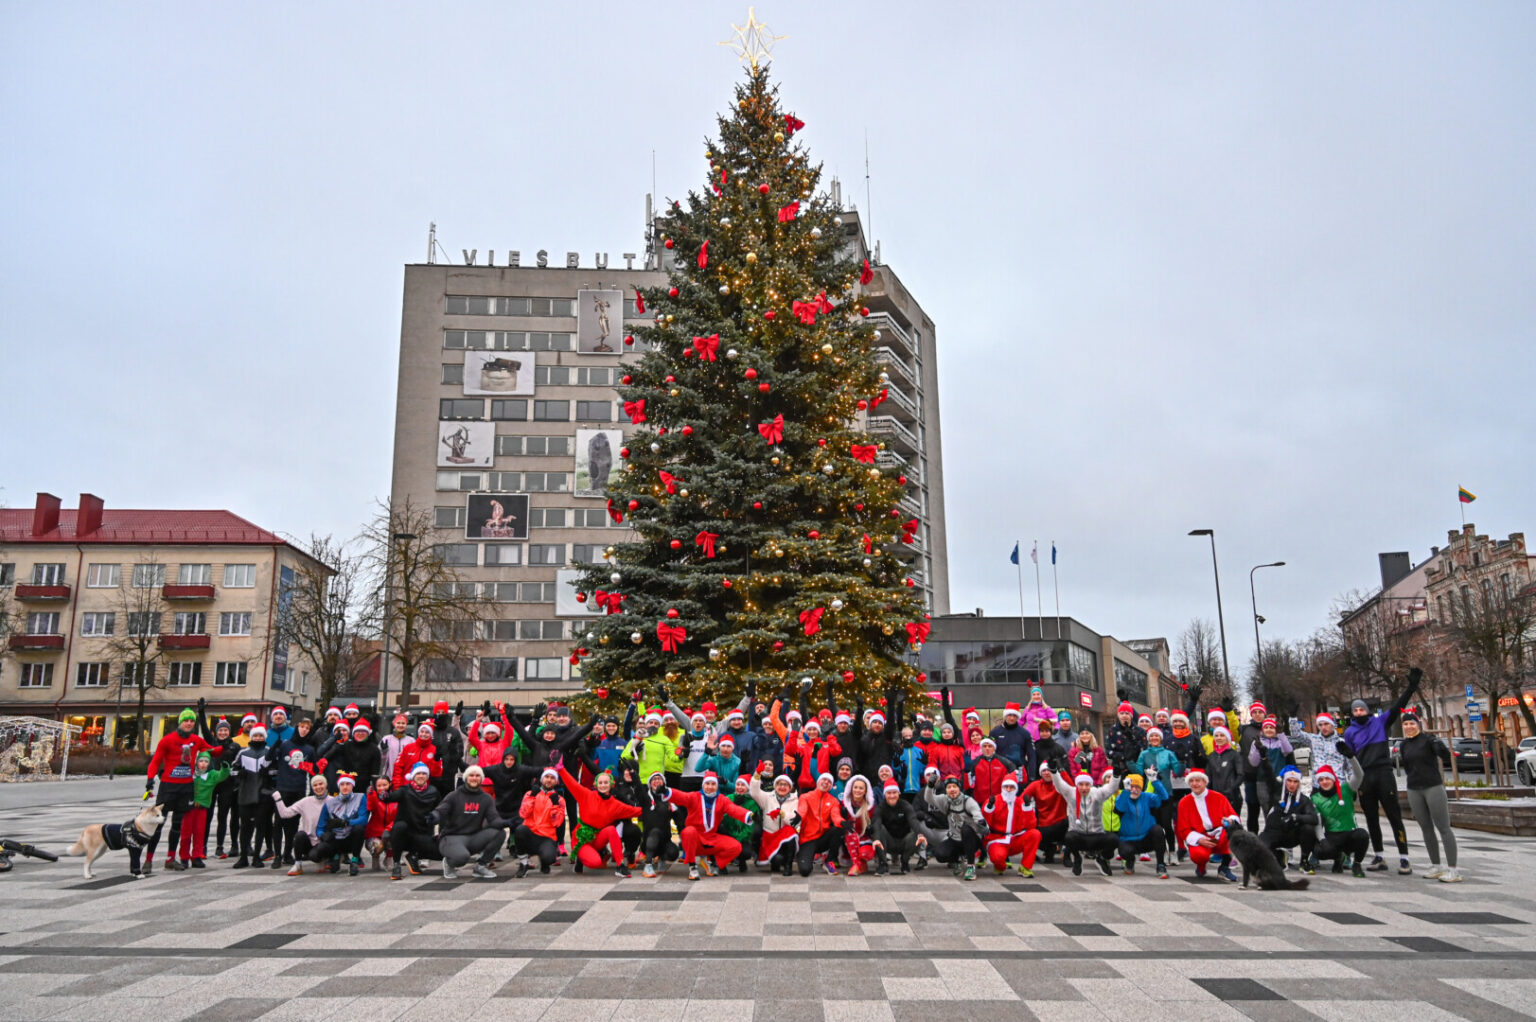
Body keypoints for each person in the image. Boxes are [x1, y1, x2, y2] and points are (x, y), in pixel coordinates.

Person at [1344, 667, 1421, 874]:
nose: (1359, 713)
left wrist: (1411, 687)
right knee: (1371, 818)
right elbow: (1350, 760)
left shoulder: (1380, 722)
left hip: (1384, 773)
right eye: (1355, 711)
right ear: (1352, 714)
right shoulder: (1350, 732)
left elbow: (1398, 707)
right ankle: (1379, 856)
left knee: (1394, 815)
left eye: (1361, 710)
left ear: (1367, 710)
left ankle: (1404, 858)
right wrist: (1351, 784)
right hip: (1365, 777)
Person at [145, 704, 224, 873]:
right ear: (180, 722)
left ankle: (170, 858)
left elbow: (212, 751)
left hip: (186, 788)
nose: (189, 723)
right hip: (168, 787)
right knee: (158, 824)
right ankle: (148, 860)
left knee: (177, 825)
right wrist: (150, 779)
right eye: (186, 721)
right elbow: (156, 760)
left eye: (191, 721)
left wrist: (226, 747)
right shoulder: (167, 740)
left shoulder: (196, 740)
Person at [1397, 711, 1461, 882]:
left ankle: (1453, 869)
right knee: (1426, 827)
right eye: (1405, 724)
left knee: (1443, 827)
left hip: (1432, 786)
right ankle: (1436, 865)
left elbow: (1445, 756)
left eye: (1412, 723)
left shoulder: (1428, 740)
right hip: (1414, 788)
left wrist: (1440, 746)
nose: (1409, 727)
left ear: (1418, 724)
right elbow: (1407, 766)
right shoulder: (1404, 745)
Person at [557, 760, 641, 877]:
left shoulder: (615, 804)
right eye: (600, 783)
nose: (603, 785)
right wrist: (560, 769)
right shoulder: (586, 795)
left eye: (606, 782)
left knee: (611, 830)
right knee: (595, 862)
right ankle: (580, 858)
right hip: (582, 839)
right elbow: (572, 784)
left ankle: (620, 866)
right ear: (596, 785)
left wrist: (653, 805)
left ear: (611, 784)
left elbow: (635, 811)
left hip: (598, 839)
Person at [668, 771, 754, 880]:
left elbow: (734, 809)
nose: (710, 787)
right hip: (695, 839)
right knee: (688, 831)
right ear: (703, 785)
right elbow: (681, 796)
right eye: (707, 784)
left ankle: (714, 863)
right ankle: (692, 866)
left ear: (717, 786)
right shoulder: (695, 796)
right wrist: (666, 791)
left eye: (713, 784)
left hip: (711, 839)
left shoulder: (722, 799)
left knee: (735, 846)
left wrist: (750, 816)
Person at [430, 764, 508, 880]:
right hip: (452, 837)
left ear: (481, 779)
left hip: (473, 837)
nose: (474, 778)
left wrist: (507, 822)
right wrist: (434, 816)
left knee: (500, 833)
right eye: (471, 775)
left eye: (477, 776)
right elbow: (441, 810)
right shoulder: (454, 795)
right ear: (466, 778)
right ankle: (449, 863)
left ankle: (481, 866)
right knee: (462, 858)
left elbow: (493, 818)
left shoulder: (486, 798)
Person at [381, 762, 443, 880]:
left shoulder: (433, 791)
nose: (421, 776)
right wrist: (384, 793)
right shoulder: (404, 790)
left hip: (423, 832)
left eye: (424, 773)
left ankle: (413, 856)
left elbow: (441, 809)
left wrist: (437, 822)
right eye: (418, 773)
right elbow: (390, 797)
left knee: (440, 852)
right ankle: (396, 864)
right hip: (405, 833)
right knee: (399, 826)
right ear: (413, 776)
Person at [1175, 769, 1238, 882]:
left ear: (1205, 782)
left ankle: (1224, 867)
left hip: (1218, 835)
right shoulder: (1184, 802)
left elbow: (1233, 816)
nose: (1195, 784)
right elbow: (1183, 828)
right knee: (1198, 855)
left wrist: (1230, 821)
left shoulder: (1219, 797)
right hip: (1200, 836)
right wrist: (1199, 839)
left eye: (1198, 780)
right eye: (1192, 781)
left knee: (1231, 834)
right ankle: (1201, 866)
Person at [1309, 763, 1369, 877]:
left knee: (1363, 835)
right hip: (1332, 836)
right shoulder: (1315, 798)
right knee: (1319, 851)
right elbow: (1317, 824)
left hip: (1350, 834)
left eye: (1327, 778)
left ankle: (1357, 864)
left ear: (1333, 779)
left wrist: (1351, 758)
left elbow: (1359, 775)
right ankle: (1339, 857)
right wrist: (1322, 841)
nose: (1324, 782)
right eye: (1321, 779)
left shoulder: (1346, 789)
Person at [230, 724, 275, 869]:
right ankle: (243, 856)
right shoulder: (243, 753)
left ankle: (257, 856)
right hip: (245, 794)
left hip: (263, 795)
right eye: (255, 735)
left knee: (261, 826)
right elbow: (232, 770)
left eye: (260, 736)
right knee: (245, 827)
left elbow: (277, 771)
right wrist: (240, 774)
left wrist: (268, 774)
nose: (258, 738)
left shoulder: (269, 752)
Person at [924, 776, 985, 880]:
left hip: (972, 839)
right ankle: (957, 861)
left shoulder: (968, 801)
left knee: (965, 830)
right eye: (949, 787)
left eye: (954, 786)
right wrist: (930, 786)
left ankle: (971, 867)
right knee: (940, 854)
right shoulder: (945, 800)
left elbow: (977, 814)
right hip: (955, 838)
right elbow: (929, 798)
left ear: (959, 788)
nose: (952, 789)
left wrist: (979, 821)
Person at [1259, 766, 1318, 872]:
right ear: (1285, 781)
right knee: (1260, 846)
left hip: (1291, 835)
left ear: (1299, 783)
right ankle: (1279, 856)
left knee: (1308, 829)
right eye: (1289, 781)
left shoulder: (1304, 800)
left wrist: (1296, 817)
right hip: (1273, 832)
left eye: (1295, 782)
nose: (1292, 784)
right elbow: (1269, 776)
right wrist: (1264, 760)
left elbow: (1313, 818)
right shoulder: (1275, 794)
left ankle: (1304, 861)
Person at [197, 716, 241, 859]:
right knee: (207, 816)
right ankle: (202, 847)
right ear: (216, 732)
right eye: (220, 730)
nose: (223, 732)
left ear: (229, 732)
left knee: (222, 816)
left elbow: (239, 764)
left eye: (225, 730)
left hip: (227, 784)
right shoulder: (211, 743)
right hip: (211, 783)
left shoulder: (234, 745)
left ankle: (219, 847)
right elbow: (204, 731)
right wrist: (201, 713)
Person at [310, 772, 369, 876]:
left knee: (359, 829)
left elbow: (363, 819)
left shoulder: (361, 797)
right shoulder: (330, 803)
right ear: (339, 786)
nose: (345, 787)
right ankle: (335, 856)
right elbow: (320, 827)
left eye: (348, 784)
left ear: (352, 785)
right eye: (342, 785)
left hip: (351, 837)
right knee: (315, 854)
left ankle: (355, 860)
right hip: (336, 839)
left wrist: (346, 822)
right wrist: (322, 835)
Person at [1112, 772, 1170, 878]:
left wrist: (1155, 781)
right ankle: (1130, 861)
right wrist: (1126, 791)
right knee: (1125, 851)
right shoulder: (1123, 797)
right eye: (1131, 787)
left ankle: (1161, 864)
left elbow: (1164, 798)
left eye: (1137, 787)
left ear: (1141, 788)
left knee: (1158, 830)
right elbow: (1120, 807)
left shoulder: (1147, 797)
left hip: (1146, 839)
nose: (1134, 790)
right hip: (1128, 839)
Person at [179, 750, 229, 869]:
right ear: (196, 762)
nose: (203, 764)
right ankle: (184, 857)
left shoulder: (211, 775)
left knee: (199, 833)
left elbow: (222, 774)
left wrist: (225, 767)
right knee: (186, 834)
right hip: (188, 808)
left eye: (206, 761)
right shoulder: (190, 773)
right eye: (201, 761)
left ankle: (197, 856)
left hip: (202, 808)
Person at [274, 773, 332, 875]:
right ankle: (298, 864)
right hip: (309, 841)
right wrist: (277, 798)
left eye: (321, 784)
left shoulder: (333, 801)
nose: (318, 787)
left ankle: (327, 859)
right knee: (299, 835)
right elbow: (285, 813)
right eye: (315, 785)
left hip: (325, 841)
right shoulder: (306, 801)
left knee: (319, 853)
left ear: (326, 785)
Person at [983, 776, 1041, 877]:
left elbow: (1031, 825)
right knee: (997, 858)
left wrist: (1027, 808)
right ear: (1002, 788)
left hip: (1016, 838)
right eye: (1006, 787)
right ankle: (1000, 866)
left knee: (1035, 834)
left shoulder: (1021, 802)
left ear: (1016, 789)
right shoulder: (994, 800)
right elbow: (985, 823)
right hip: (997, 839)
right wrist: (989, 807)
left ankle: (1025, 866)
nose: (1009, 790)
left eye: (1012, 787)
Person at [1135, 729, 1180, 860]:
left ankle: (1172, 851)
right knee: (1156, 826)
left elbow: (1177, 770)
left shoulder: (1168, 753)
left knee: (1167, 824)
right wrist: (1132, 763)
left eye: (1157, 736)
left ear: (1161, 738)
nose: (1154, 738)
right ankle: (1163, 852)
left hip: (1166, 793)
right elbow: (1138, 771)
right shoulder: (1144, 754)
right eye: (1152, 736)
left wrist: (1180, 761)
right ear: (1149, 739)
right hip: (1150, 794)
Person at [515, 768, 567, 876]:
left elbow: (557, 823)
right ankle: (524, 863)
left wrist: (555, 806)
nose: (549, 780)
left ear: (556, 781)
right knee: (520, 830)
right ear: (541, 779)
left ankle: (544, 861)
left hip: (547, 837)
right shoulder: (530, 794)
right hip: (531, 833)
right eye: (547, 777)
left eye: (552, 778)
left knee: (549, 858)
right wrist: (532, 798)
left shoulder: (560, 799)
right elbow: (523, 814)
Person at [748, 770, 801, 875]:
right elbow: (754, 792)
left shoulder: (795, 801)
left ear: (790, 788)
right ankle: (776, 861)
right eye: (780, 784)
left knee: (790, 831)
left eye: (785, 785)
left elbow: (795, 821)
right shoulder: (767, 797)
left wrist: (784, 815)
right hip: (770, 836)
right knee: (777, 861)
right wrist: (757, 775)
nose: (782, 787)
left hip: (786, 839)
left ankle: (788, 865)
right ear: (775, 786)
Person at [1246, 717, 1295, 830]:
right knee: (1267, 808)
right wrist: (1257, 750)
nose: (1269, 730)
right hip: (1262, 780)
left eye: (1271, 727)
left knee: (1281, 807)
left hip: (1279, 780)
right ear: (1262, 729)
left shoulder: (1280, 741)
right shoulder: (1258, 742)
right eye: (1266, 727)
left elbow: (1288, 750)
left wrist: (1281, 734)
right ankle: (1271, 831)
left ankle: (1283, 833)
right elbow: (1253, 762)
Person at [795, 772, 846, 876]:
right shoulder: (805, 797)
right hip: (808, 839)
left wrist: (842, 822)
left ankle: (829, 860)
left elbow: (836, 816)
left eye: (829, 781)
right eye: (824, 780)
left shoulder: (833, 801)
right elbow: (802, 810)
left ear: (831, 786)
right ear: (818, 782)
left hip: (823, 838)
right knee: (805, 871)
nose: (826, 782)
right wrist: (799, 817)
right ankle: (804, 855)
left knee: (838, 829)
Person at [872, 781, 924, 874]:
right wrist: (876, 839)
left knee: (915, 834)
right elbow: (876, 823)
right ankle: (883, 863)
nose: (892, 796)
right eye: (889, 793)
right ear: (885, 794)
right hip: (888, 842)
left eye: (894, 793)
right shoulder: (881, 807)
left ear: (898, 793)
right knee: (879, 829)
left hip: (904, 841)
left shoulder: (905, 805)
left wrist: (920, 834)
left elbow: (913, 820)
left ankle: (904, 862)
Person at [636, 770, 681, 877]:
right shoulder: (645, 798)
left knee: (673, 853)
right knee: (655, 832)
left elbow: (680, 821)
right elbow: (637, 786)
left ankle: (662, 858)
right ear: (650, 784)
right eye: (654, 779)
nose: (656, 781)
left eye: (659, 779)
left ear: (664, 782)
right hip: (648, 842)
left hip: (664, 841)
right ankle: (648, 865)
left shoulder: (670, 800)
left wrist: (675, 810)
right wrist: (634, 773)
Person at [1024, 764, 1069, 864]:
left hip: (1060, 823)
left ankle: (1067, 856)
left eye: (1049, 770)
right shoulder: (1035, 785)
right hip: (1043, 825)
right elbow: (1022, 799)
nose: (1047, 773)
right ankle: (1049, 850)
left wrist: (1061, 770)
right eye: (1044, 770)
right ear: (1040, 773)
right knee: (1028, 830)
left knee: (1072, 830)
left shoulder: (1060, 784)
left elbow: (1072, 787)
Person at [1288, 712, 1351, 782]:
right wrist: (1293, 718)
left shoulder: (1341, 742)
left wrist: (1353, 786)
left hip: (1338, 784)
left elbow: (1350, 767)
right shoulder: (1313, 739)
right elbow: (1297, 735)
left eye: (1326, 724)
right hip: (1318, 784)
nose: (1323, 727)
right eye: (1320, 725)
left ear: (1332, 725)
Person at [1238, 702, 1268, 831]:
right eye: (1254, 712)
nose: (1257, 715)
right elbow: (1233, 727)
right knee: (1253, 810)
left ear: (1264, 714)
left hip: (1267, 776)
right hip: (1251, 775)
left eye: (1260, 712)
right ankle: (1253, 839)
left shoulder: (1270, 728)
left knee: (1269, 810)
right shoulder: (1245, 729)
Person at [839, 775, 878, 875]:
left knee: (866, 853)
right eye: (855, 787)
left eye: (861, 788)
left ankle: (862, 862)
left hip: (865, 838)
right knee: (850, 833)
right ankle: (856, 864)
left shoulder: (871, 806)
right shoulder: (844, 804)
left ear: (865, 791)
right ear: (851, 789)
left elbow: (877, 822)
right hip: (848, 839)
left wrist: (871, 827)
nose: (858, 790)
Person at [364, 776, 397, 871]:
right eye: (379, 786)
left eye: (384, 785)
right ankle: (375, 857)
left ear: (390, 784)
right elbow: (371, 807)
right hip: (375, 834)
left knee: (394, 839)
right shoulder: (374, 797)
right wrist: (371, 795)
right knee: (376, 846)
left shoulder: (395, 798)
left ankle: (389, 858)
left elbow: (398, 817)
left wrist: (388, 829)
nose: (382, 788)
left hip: (389, 832)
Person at [1105, 702, 1145, 776]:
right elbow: (1108, 751)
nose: (1124, 716)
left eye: (1127, 713)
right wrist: (1124, 756)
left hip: (1135, 768)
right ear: (1118, 715)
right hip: (1119, 769)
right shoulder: (1112, 730)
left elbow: (1143, 749)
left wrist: (1132, 739)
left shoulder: (1139, 731)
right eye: (1122, 713)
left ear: (1131, 716)